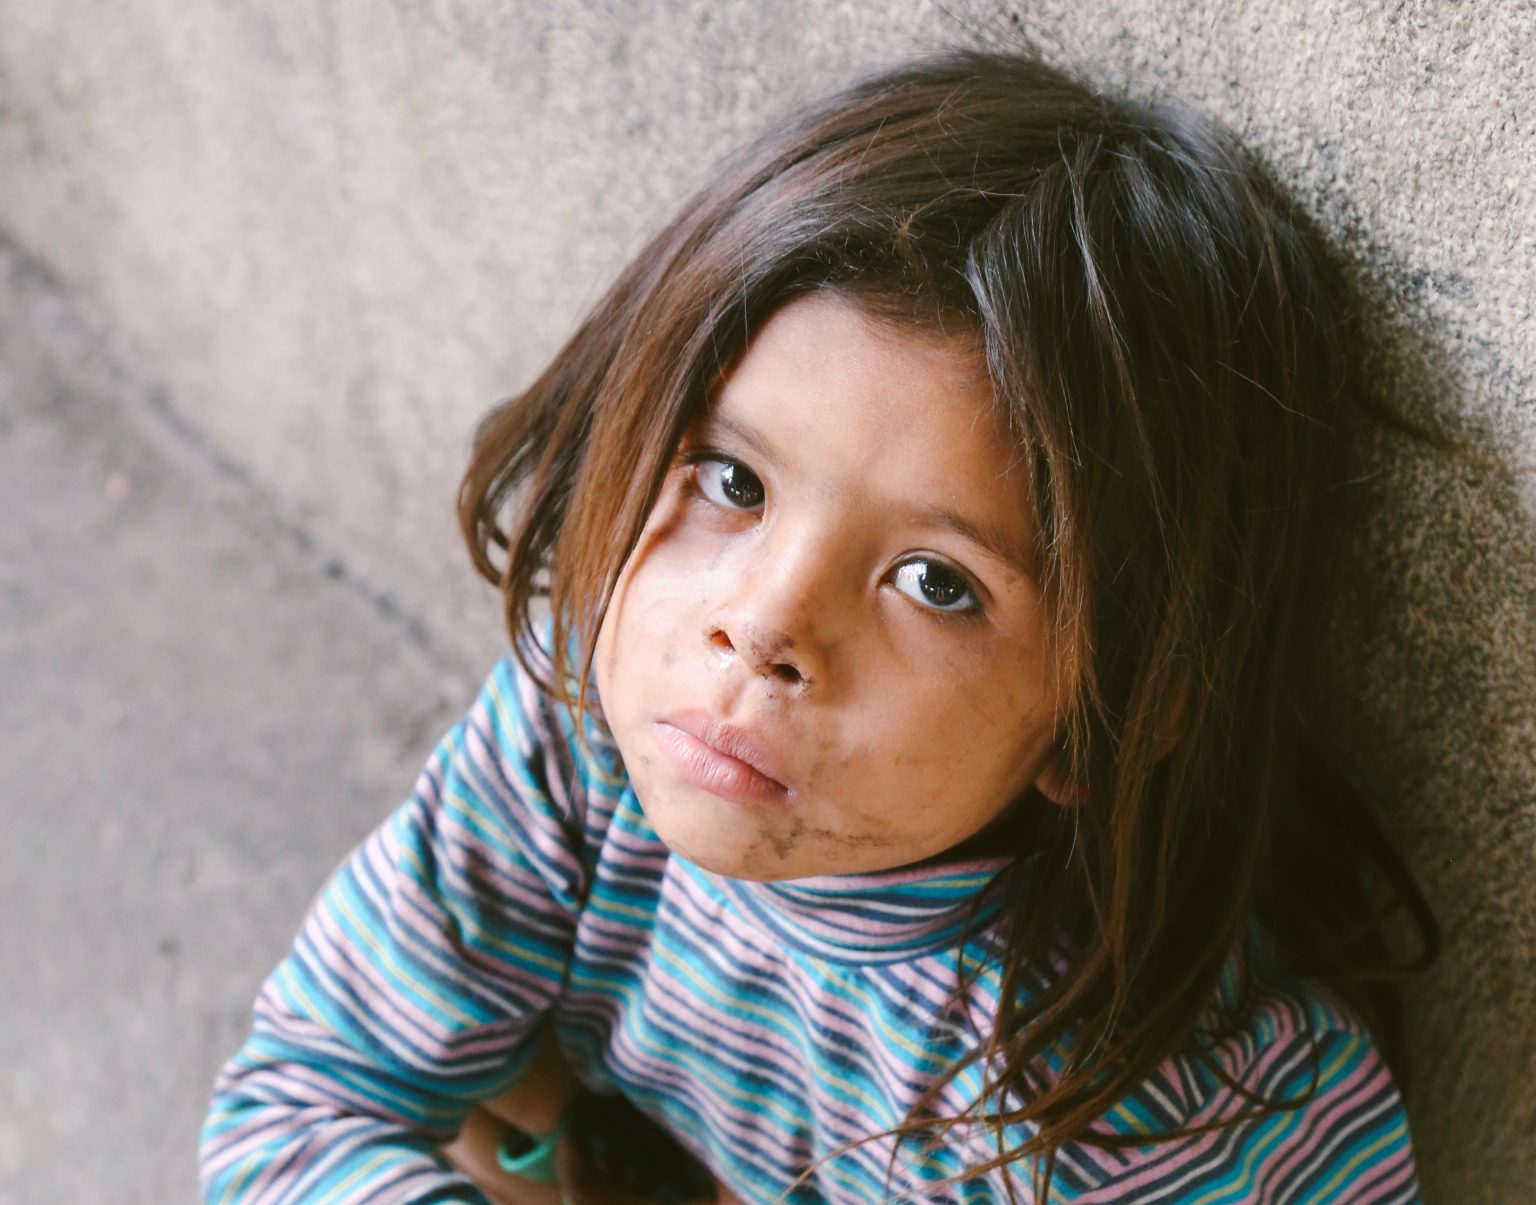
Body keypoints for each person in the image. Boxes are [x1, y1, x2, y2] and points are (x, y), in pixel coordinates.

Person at [200, 49, 1437, 1204]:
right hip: (650, 1120)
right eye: (732, 480)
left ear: (1100, 719)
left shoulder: (1139, 1131)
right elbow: (301, 1096)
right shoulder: (591, 722)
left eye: (937, 582)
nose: (759, 624)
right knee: (489, 1088)